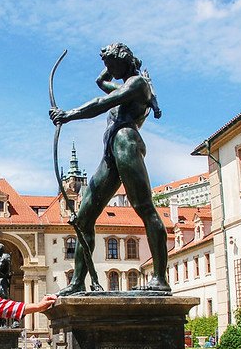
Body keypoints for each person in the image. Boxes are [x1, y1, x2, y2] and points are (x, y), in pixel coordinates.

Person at [49, 42, 170, 295]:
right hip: (110, 152)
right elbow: (100, 82)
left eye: (110, 64)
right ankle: (77, 282)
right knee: (83, 219)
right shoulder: (125, 85)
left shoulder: (138, 84)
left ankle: (160, 278)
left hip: (126, 143)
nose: (107, 69)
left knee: (144, 207)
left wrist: (67, 114)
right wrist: (108, 62)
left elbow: (101, 102)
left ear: (123, 61)